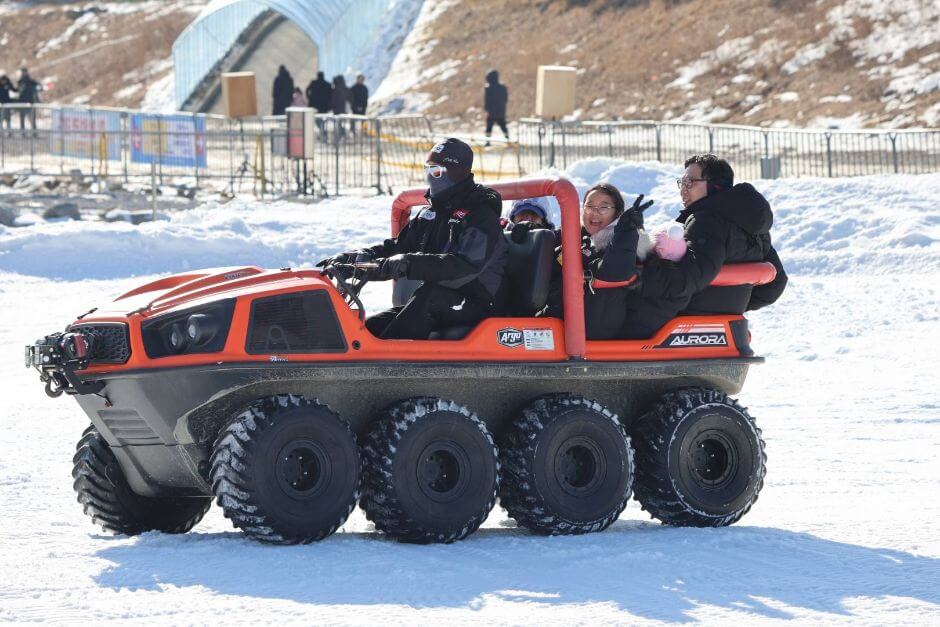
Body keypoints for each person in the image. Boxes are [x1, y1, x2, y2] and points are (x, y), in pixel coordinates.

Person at [319, 138, 508, 340]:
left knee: (429, 298)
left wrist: (409, 263)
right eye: (428, 171)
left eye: (436, 172)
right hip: (440, 296)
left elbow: (465, 265)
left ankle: (387, 365)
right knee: (373, 329)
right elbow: (400, 247)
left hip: (478, 302)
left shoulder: (480, 215)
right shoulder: (432, 213)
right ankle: (351, 359)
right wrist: (360, 259)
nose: (431, 179)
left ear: (456, 173)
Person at [620, 154, 788, 339]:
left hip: (686, 322)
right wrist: (731, 303)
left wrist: (643, 276)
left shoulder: (706, 221)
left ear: (716, 186)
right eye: (681, 183)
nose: (683, 190)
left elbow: (692, 275)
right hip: (724, 324)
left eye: (690, 182)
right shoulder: (752, 227)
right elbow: (775, 284)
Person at [541, 183, 652, 339]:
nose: (594, 213)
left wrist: (626, 231)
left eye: (603, 208)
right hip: (557, 319)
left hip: (592, 330)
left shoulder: (626, 246)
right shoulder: (578, 235)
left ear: (618, 213)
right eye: (589, 206)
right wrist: (533, 228)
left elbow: (612, 271)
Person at [483, 69, 509, 144]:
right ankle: (507, 140)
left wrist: (487, 109)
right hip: (501, 111)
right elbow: (505, 99)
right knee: (503, 126)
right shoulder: (502, 87)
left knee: (489, 127)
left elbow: (487, 100)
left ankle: (488, 141)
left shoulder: (488, 88)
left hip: (491, 112)